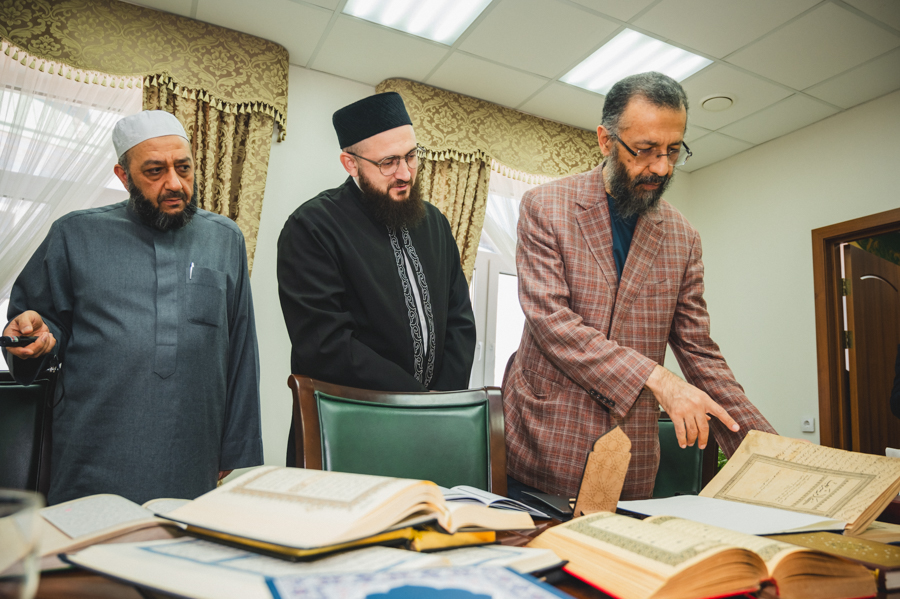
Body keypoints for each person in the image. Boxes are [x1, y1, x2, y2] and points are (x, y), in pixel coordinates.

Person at [503, 72, 776, 500]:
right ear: (605, 140)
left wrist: (770, 452)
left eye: (673, 151)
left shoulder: (683, 238)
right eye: (646, 150)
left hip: (631, 458)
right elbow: (553, 323)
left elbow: (699, 352)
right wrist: (659, 379)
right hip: (544, 443)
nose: (662, 168)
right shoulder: (546, 207)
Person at [3, 110, 263, 505]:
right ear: (123, 176)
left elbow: (242, 348)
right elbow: (40, 328)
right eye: (155, 171)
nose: (174, 183)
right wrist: (33, 338)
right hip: (93, 447)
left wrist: (235, 446)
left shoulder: (225, 238)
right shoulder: (74, 234)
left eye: (184, 168)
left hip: (193, 449)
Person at [277, 92, 477, 465]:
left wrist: (441, 400)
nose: (405, 173)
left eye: (411, 156)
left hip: (429, 427)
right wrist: (415, 399)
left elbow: (460, 321)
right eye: (388, 162)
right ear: (350, 164)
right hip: (348, 427)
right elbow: (326, 344)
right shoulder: (313, 226)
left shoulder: (434, 223)